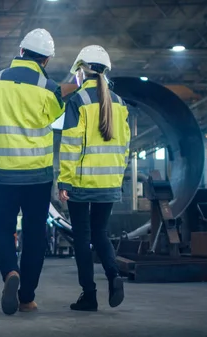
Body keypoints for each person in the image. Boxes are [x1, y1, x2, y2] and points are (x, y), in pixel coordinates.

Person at [0, 28, 65, 315]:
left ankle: (10, 273)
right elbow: (58, 123)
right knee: (35, 234)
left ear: (21, 51)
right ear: (47, 60)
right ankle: (26, 297)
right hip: (38, 175)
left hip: (4, 173)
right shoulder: (50, 89)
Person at [57, 45, 131, 311]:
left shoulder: (78, 100)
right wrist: (116, 179)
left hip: (81, 182)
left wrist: (64, 181)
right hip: (109, 182)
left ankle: (89, 295)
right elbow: (125, 148)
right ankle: (114, 275)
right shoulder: (119, 103)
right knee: (100, 233)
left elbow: (70, 145)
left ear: (80, 71)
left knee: (82, 237)